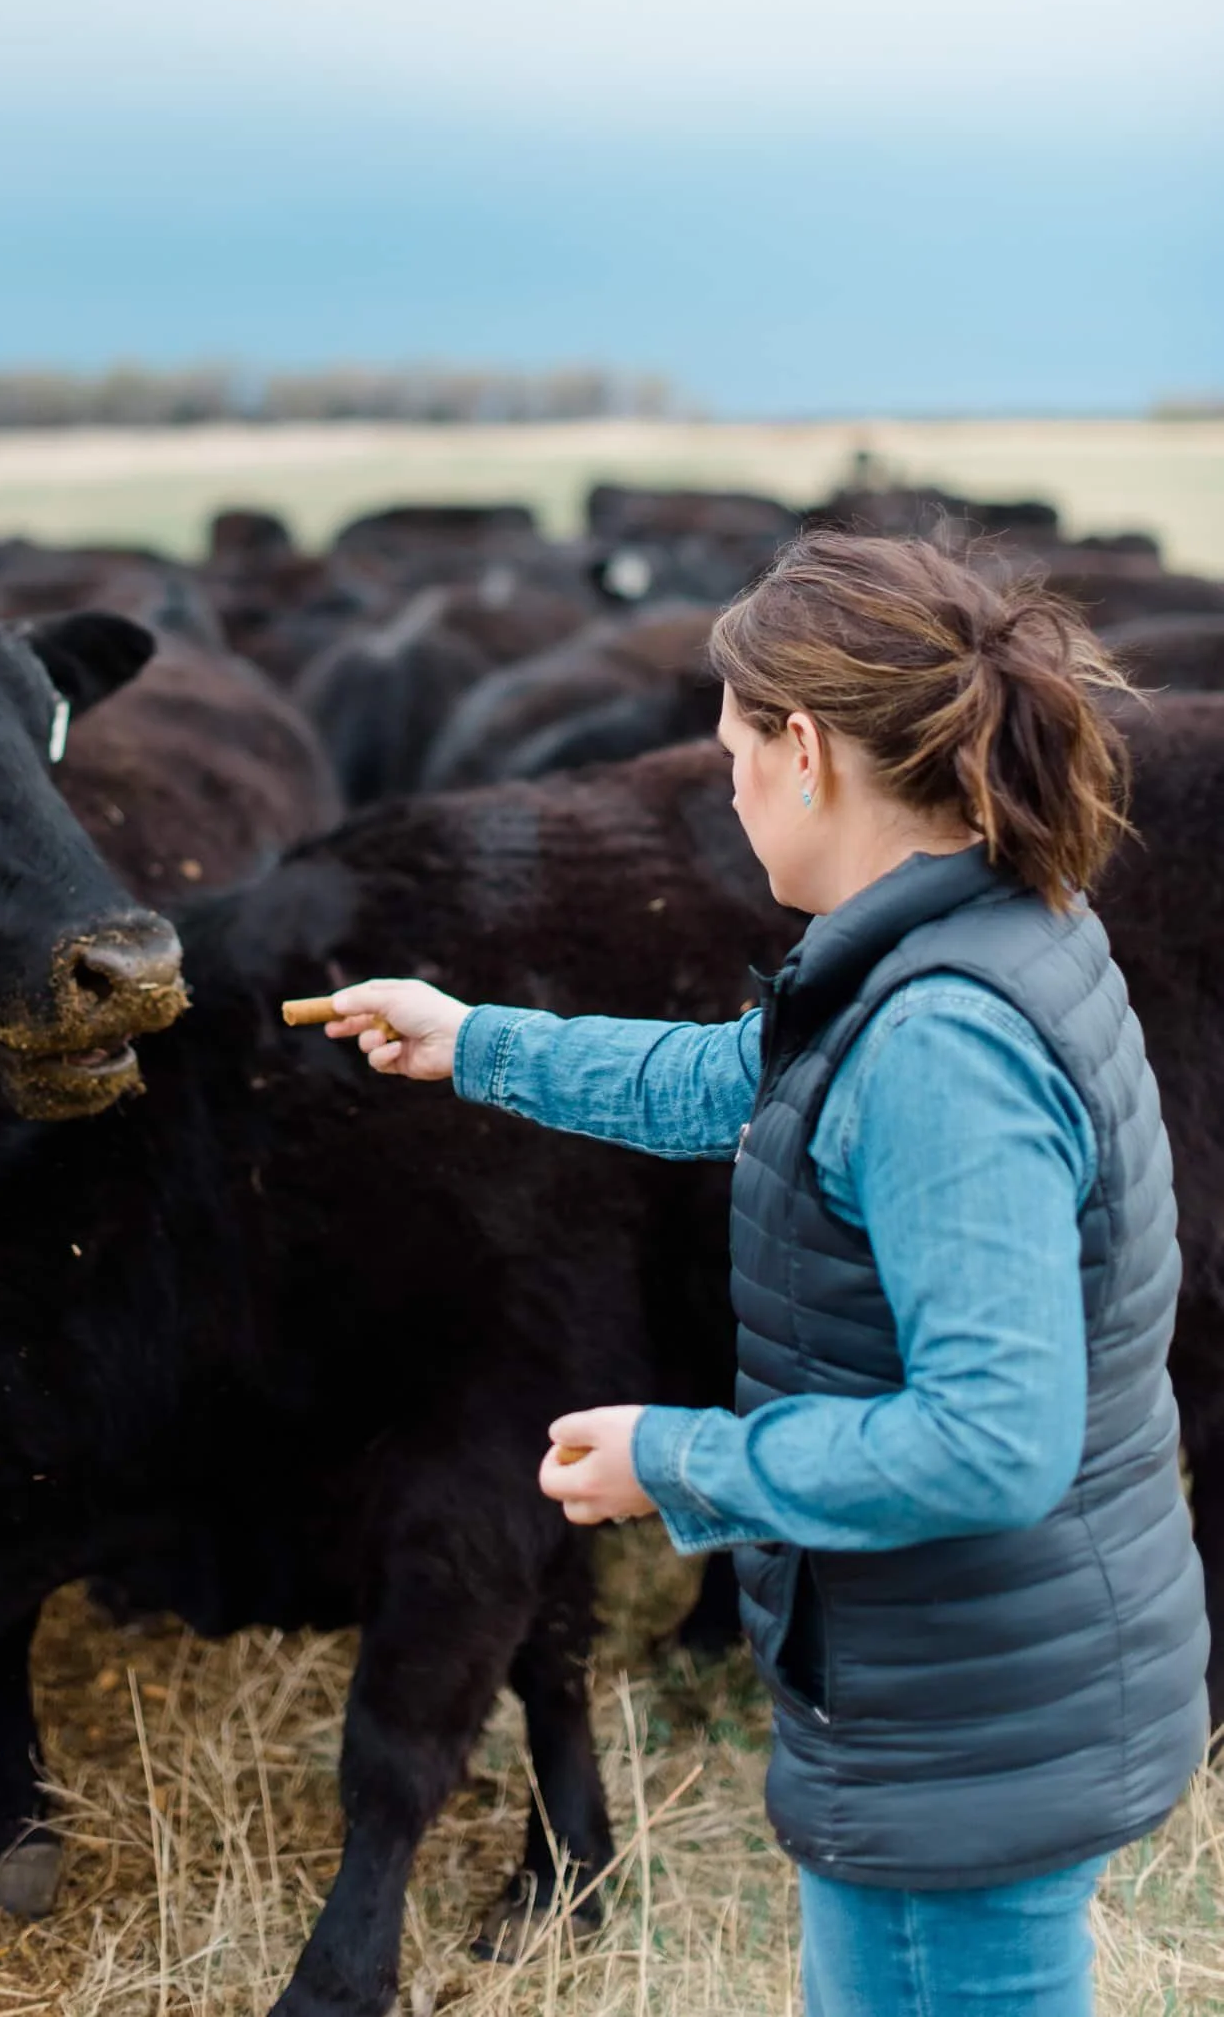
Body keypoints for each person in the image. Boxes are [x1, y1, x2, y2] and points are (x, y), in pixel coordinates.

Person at [321, 532, 1209, 2017]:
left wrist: (677, 1460)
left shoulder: (944, 1045)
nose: (723, 785)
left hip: (962, 1732)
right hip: (988, 1683)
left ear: (804, 750)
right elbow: (732, 1082)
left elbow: (991, 1441)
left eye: (731, 749)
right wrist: (470, 1038)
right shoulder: (987, 935)